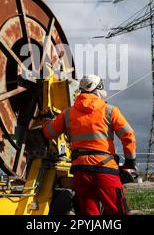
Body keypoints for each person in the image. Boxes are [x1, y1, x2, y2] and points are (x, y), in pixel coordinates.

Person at [42, 74, 136, 215]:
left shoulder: (68, 113)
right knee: (119, 212)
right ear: (98, 89)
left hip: (80, 171)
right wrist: (130, 162)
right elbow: (128, 135)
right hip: (105, 169)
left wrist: (47, 119)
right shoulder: (110, 110)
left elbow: (49, 133)